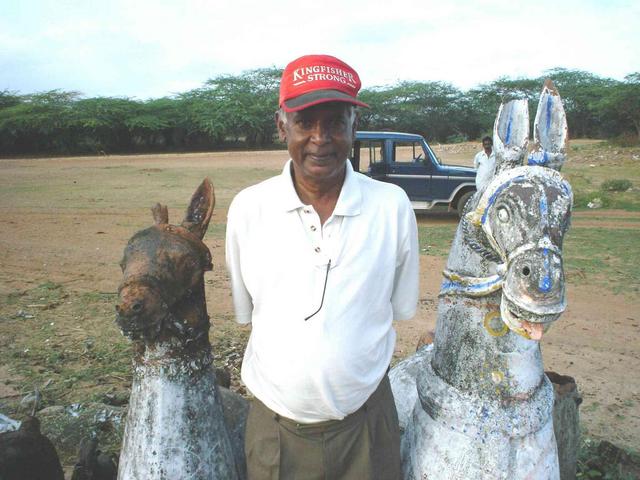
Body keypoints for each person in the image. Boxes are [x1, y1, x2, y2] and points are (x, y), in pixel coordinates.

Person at [225, 54, 419, 480]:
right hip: (276, 432)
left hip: (367, 428)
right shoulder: (248, 210)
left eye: (335, 122)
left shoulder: (392, 208)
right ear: (282, 127)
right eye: (305, 123)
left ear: (354, 128)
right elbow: (249, 312)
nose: (320, 138)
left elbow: (398, 308)